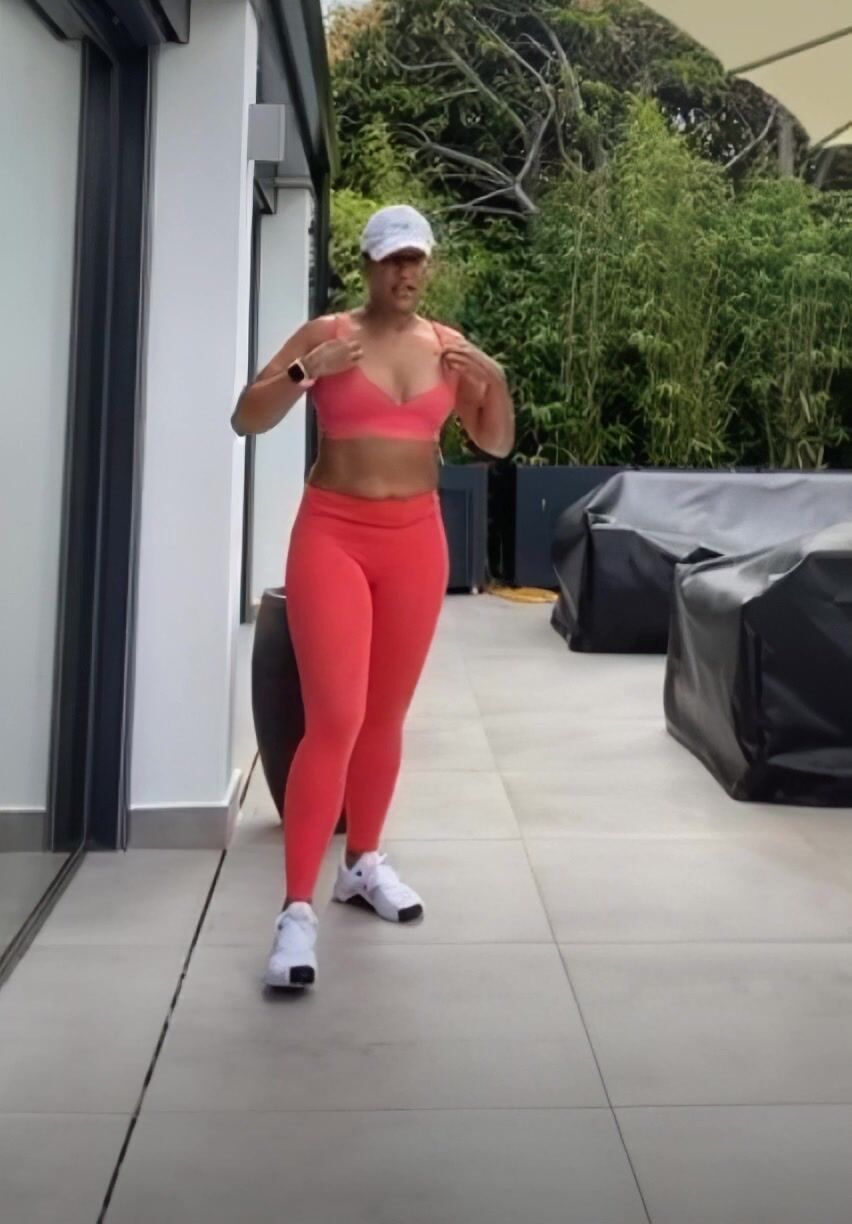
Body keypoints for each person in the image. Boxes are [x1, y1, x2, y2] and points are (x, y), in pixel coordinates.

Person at [232, 204, 515, 988]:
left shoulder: (446, 347)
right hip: (333, 535)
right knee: (335, 720)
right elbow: (245, 417)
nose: (406, 273)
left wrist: (493, 381)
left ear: (428, 266)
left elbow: (494, 441)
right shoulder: (329, 335)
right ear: (367, 266)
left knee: (386, 718)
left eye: (415, 259)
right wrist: (304, 373)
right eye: (392, 260)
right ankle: (296, 912)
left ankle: (362, 864)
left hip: (415, 541)